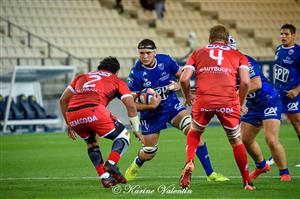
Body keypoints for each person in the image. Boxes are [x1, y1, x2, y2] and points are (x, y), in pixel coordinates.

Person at [125, 38, 229, 182]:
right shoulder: (135, 73)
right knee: (149, 152)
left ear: (155, 52)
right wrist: (150, 106)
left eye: (148, 53)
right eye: (141, 53)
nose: (145, 56)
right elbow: (131, 104)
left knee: (194, 132)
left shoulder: (166, 61)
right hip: (151, 115)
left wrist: (179, 85)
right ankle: (136, 164)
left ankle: (211, 174)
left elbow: (182, 76)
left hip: (172, 107)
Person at [179, 25, 255, 190]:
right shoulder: (238, 55)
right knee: (235, 140)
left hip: (204, 99)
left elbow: (184, 79)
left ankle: (189, 161)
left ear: (209, 39)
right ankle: (247, 182)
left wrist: (187, 97)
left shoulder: (198, 52)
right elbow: (246, 82)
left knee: (195, 132)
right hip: (227, 101)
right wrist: (240, 103)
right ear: (227, 40)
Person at [59, 56, 143, 188]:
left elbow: (63, 100)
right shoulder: (116, 80)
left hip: (72, 114)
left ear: (99, 68)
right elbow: (131, 105)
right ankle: (111, 163)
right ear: (116, 72)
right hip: (94, 109)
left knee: (91, 142)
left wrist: (68, 123)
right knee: (123, 136)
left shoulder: (81, 77)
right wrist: (136, 129)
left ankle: (105, 178)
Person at [227, 36, 291, 181]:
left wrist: (237, 96)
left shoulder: (246, 61)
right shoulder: (226, 65)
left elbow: (256, 84)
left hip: (269, 101)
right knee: (245, 139)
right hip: (252, 105)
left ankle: (284, 173)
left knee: (270, 139)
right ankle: (262, 165)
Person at [273, 24, 300, 167]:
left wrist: (296, 90)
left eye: (286, 34)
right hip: (278, 93)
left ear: (293, 35)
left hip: (292, 94)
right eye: (282, 33)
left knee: (297, 124)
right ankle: (274, 154)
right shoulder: (278, 49)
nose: (283, 36)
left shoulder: (298, 52)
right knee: (272, 122)